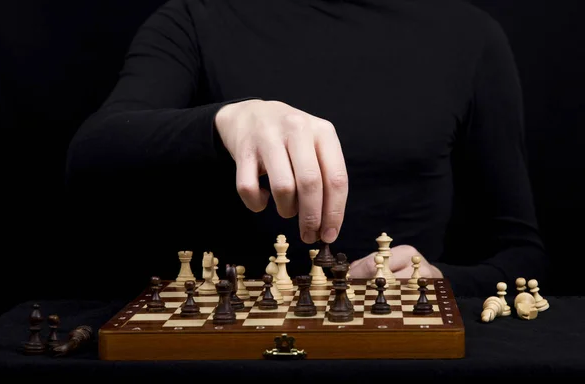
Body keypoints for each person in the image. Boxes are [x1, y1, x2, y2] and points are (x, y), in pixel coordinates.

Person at [65, 0, 548, 297]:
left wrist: (444, 282)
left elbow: (522, 256)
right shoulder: (196, 16)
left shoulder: (469, 34)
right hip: (229, 352)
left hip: (402, 354)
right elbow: (91, 155)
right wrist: (224, 121)